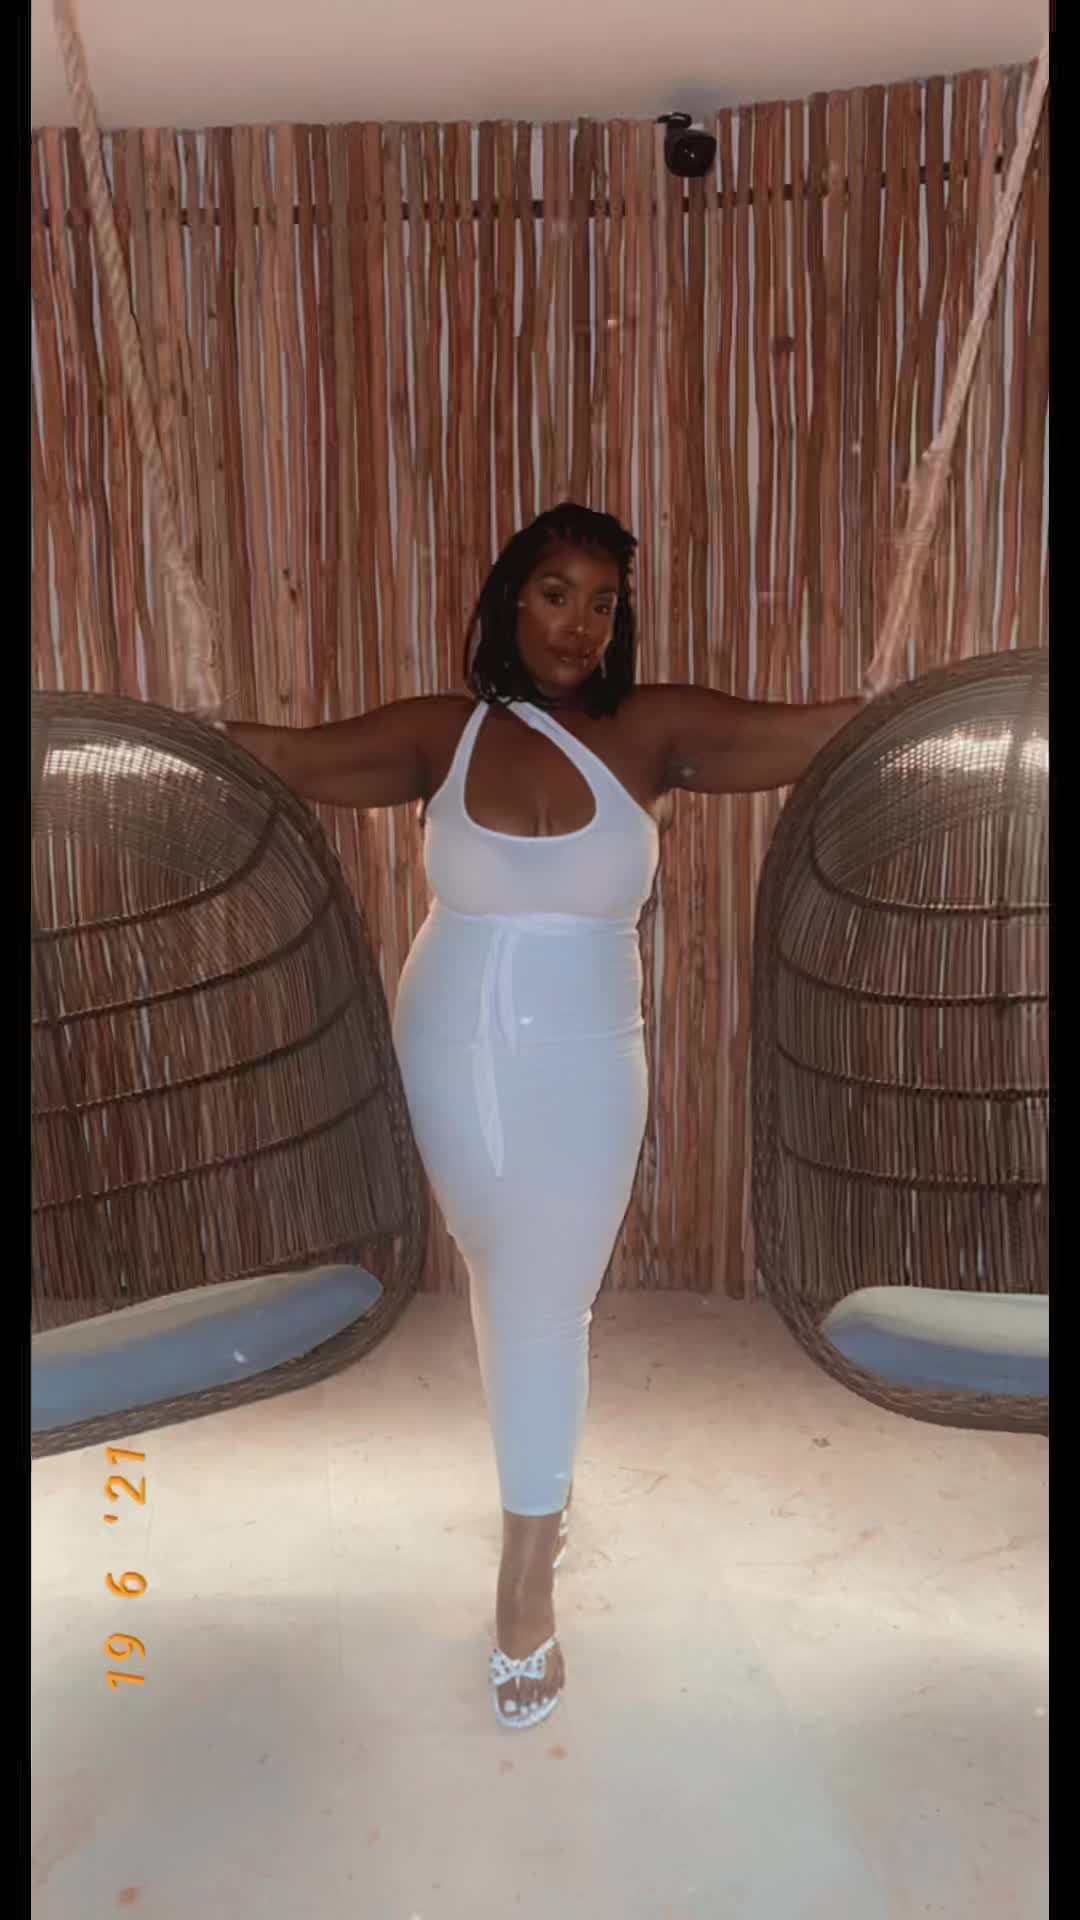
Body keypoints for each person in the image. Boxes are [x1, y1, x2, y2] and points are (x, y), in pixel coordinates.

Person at [227, 502, 863, 1732]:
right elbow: (289, 758)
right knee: (494, 1262)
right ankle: (539, 1489)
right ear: (510, 599)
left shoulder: (651, 730)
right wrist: (174, 731)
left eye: (604, 602)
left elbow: (818, 732)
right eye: (557, 593)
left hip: (587, 1061)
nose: (581, 625)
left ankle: (525, 1581)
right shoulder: (444, 734)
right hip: (449, 1046)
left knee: (545, 1296)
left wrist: (921, 693)